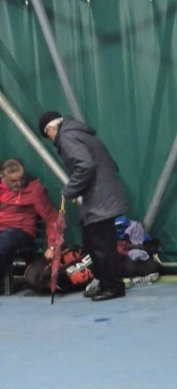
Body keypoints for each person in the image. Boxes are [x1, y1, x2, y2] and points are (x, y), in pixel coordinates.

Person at [37, 111, 128, 300]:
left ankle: (113, 287)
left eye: (48, 135)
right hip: (103, 195)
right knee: (92, 242)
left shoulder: (67, 137)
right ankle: (105, 282)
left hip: (100, 200)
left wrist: (70, 190)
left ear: (50, 129)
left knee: (101, 245)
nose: (51, 140)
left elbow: (85, 166)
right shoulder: (80, 133)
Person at [0, 157, 60, 285]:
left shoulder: (35, 190)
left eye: (21, 178)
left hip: (21, 231)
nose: (19, 183)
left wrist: (52, 247)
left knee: (4, 241)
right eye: (13, 181)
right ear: (3, 178)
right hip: (2, 230)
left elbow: (52, 219)